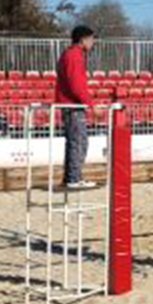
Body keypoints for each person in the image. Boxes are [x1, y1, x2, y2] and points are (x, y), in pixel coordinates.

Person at [55, 25, 96, 190]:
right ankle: (73, 177)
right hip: (72, 105)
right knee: (78, 141)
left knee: (75, 141)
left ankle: (70, 177)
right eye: (91, 39)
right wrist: (91, 105)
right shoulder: (74, 55)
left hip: (70, 104)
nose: (93, 42)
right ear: (83, 39)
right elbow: (76, 85)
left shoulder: (70, 54)